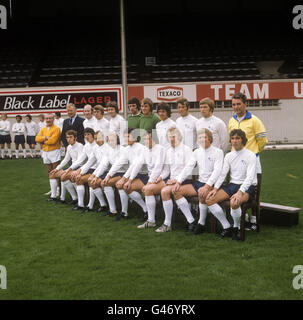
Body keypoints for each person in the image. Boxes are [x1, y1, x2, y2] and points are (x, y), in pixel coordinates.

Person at [205, 129, 257, 241]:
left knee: (234, 202)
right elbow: (223, 173)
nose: (235, 141)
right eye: (233, 138)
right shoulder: (228, 156)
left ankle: (237, 228)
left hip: (247, 187)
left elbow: (250, 177)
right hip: (232, 185)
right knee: (209, 199)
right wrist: (215, 188)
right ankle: (226, 226)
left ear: (243, 140)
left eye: (238, 138)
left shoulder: (251, 155)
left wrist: (240, 192)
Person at [172, 129, 224, 234]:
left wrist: (207, 186)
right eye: (199, 137)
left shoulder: (218, 152)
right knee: (176, 191)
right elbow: (188, 167)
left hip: (212, 185)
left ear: (209, 138)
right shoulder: (196, 152)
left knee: (202, 193)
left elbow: (217, 171)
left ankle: (201, 223)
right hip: (199, 183)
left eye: (204, 137)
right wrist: (178, 181)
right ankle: (191, 221)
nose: (202, 139)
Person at [229, 92, 267, 230]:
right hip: (236, 163)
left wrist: (253, 153)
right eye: (234, 104)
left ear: (245, 104)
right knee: (239, 186)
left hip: (252, 160)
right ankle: (243, 219)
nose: (236, 107)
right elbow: (231, 140)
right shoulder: (231, 120)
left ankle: (254, 219)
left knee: (254, 191)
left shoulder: (254, 120)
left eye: (239, 104)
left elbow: (262, 141)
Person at [144, 127, 193, 232]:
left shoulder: (186, 150)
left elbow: (188, 169)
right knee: (148, 189)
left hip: (185, 181)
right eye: (170, 137)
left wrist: (177, 180)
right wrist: (160, 178)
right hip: (171, 181)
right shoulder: (168, 151)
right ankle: (151, 220)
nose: (172, 139)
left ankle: (167, 224)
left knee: (164, 191)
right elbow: (166, 170)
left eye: (174, 137)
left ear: (179, 137)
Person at [103, 128, 147, 220]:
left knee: (125, 186)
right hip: (133, 174)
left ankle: (146, 209)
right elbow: (119, 162)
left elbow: (135, 165)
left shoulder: (141, 148)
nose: (126, 139)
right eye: (125, 137)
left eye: (128, 137)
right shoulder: (127, 149)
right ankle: (124, 212)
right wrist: (109, 175)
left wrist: (124, 178)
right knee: (119, 185)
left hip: (144, 175)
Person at [130, 130, 166, 229]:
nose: (146, 141)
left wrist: (149, 183)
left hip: (162, 177)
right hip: (150, 177)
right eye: (145, 139)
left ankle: (151, 221)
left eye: (149, 139)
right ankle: (146, 210)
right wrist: (130, 179)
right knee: (127, 186)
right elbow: (138, 164)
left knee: (148, 189)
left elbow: (158, 167)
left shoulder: (160, 149)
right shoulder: (145, 149)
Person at [48, 130, 84, 205]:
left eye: (71, 137)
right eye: (67, 137)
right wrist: (57, 168)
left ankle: (74, 198)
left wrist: (69, 169)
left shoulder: (80, 146)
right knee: (52, 174)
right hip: (71, 167)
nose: (69, 139)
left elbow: (80, 161)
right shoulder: (69, 147)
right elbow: (66, 159)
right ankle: (54, 196)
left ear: (75, 138)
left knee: (63, 176)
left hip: (79, 168)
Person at [100, 132, 128, 217]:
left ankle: (124, 212)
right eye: (109, 141)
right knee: (104, 183)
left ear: (117, 140)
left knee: (108, 183)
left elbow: (118, 164)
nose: (110, 142)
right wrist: (95, 176)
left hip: (125, 173)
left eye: (112, 140)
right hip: (115, 173)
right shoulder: (109, 150)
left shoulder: (122, 149)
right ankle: (113, 210)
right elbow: (103, 164)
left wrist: (108, 176)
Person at [35, 114, 61, 200]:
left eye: (50, 118)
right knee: (49, 172)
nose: (48, 120)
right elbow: (36, 139)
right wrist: (45, 138)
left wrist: (42, 141)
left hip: (54, 151)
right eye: (47, 118)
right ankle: (53, 189)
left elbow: (53, 141)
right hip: (45, 152)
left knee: (56, 172)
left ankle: (58, 189)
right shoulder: (43, 129)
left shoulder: (56, 129)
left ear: (53, 119)